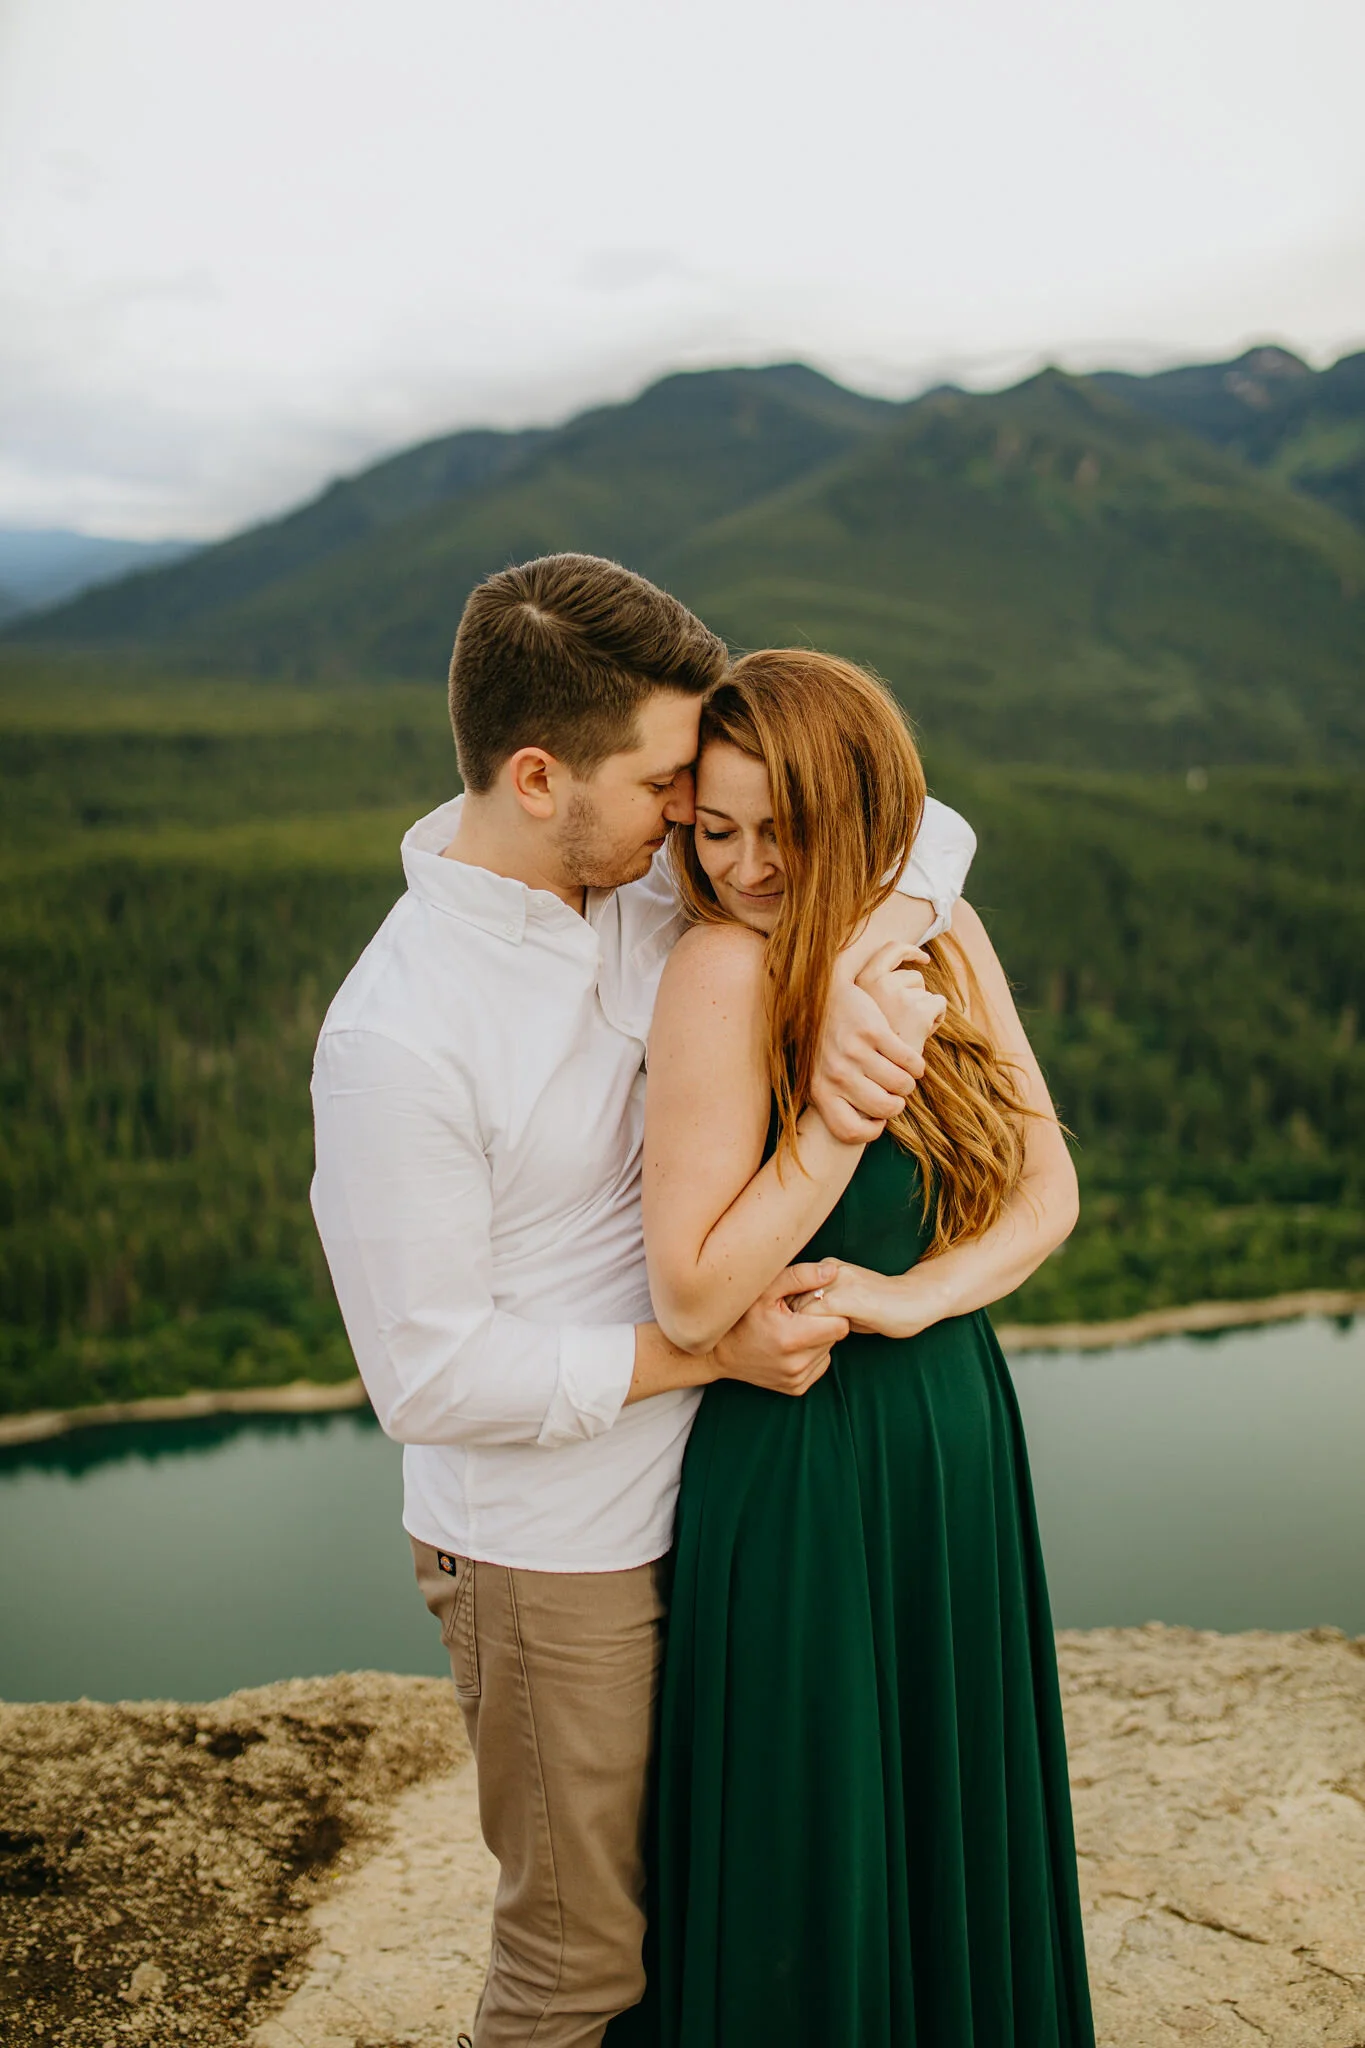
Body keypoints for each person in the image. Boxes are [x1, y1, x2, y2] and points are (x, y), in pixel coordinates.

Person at [308, 556, 978, 2048]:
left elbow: (921, 817)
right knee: (577, 1972)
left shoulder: (633, 886)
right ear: (538, 776)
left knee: (720, 1922)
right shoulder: (398, 1037)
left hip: (728, 1514)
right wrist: (707, 1353)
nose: (700, 818)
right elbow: (428, 1378)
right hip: (558, 1566)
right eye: (672, 782)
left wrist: (876, 948)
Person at [612, 650, 1093, 2046]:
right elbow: (696, 1297)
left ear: (861, 816)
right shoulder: (719, 970)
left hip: (947, 1426)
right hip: (804, 1452)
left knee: (951, 1815)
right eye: (717, 828)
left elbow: (1048, 1191)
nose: (749, 865)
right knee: (812, 1843)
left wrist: (920, 1297)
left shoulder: (944, 932)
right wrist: (836, 1127)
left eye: (785, 829)